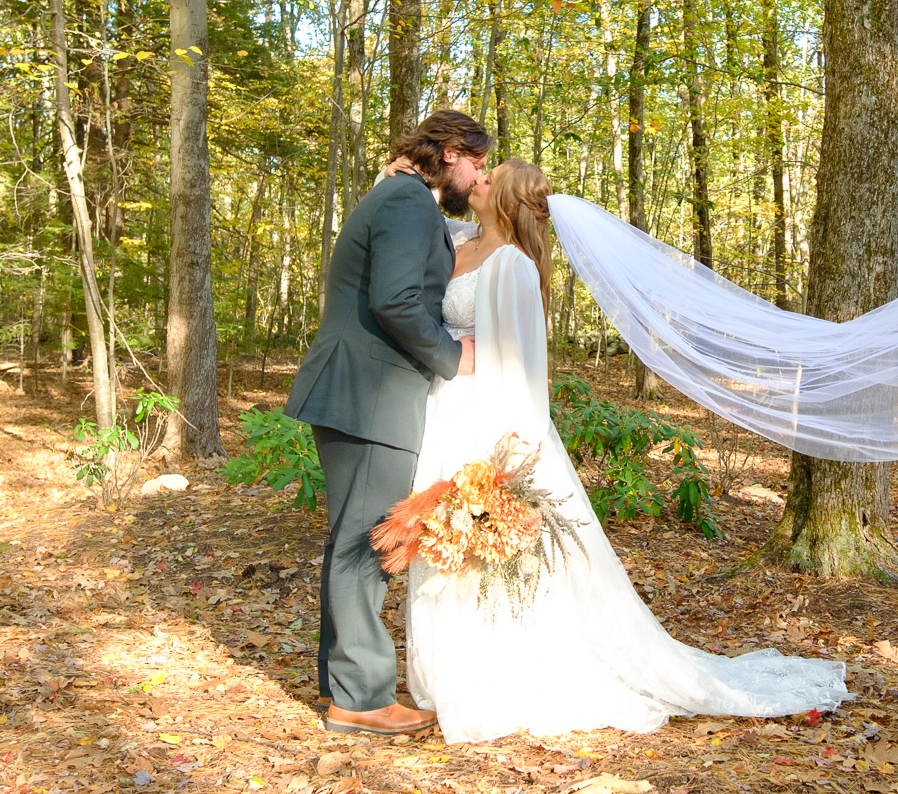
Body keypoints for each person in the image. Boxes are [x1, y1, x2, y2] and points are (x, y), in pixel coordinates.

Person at [404, 159, 852, 743]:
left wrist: (511, 457)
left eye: (492, 179)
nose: (477, 182)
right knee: (442, 546)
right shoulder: (458, 239)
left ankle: (495, 677)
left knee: (487, 553)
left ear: (509, 202)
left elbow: (522, 367)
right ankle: (448, 674)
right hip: (444, 413)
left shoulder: (512, 265)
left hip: (487, 424)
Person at [286, 110, 493, 735]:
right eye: (478, 164)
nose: (480, 175)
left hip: (358, 388)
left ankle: (343, 681)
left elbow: (434, 249)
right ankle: (362, 697)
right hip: (368, 391)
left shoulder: (404, 196)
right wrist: (454, 358)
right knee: (368, 541)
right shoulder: (405, 200)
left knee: (352, 537)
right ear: (451, 152)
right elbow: (396, 300)